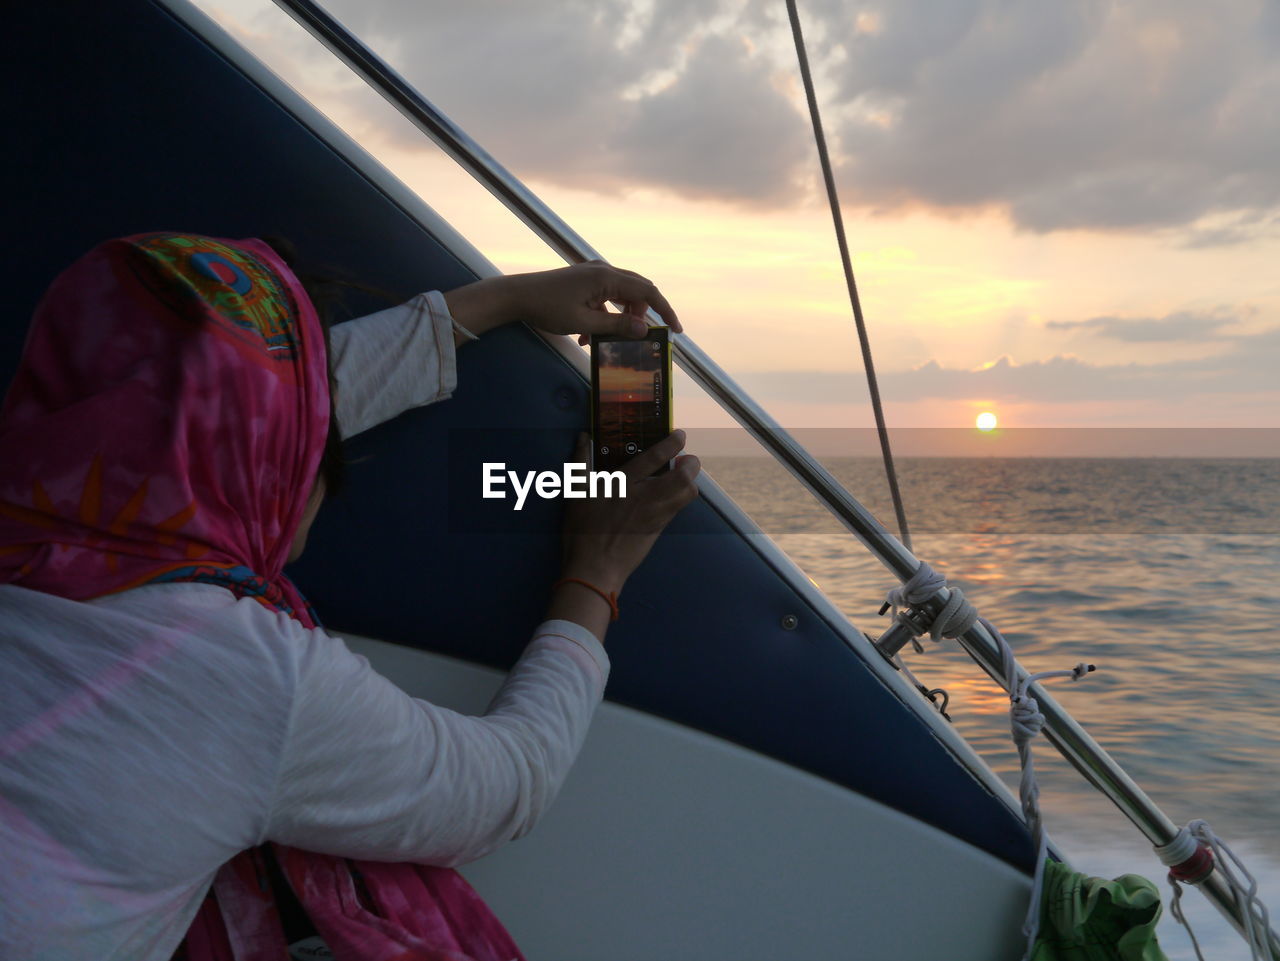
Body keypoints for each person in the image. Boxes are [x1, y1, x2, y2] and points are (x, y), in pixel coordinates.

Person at [0, 232, 700, 960]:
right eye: (308, 444)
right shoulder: (245, 679)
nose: (318, 453)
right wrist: (597, 570)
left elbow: (222, 410)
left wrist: (502, 300)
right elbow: (505, 784)